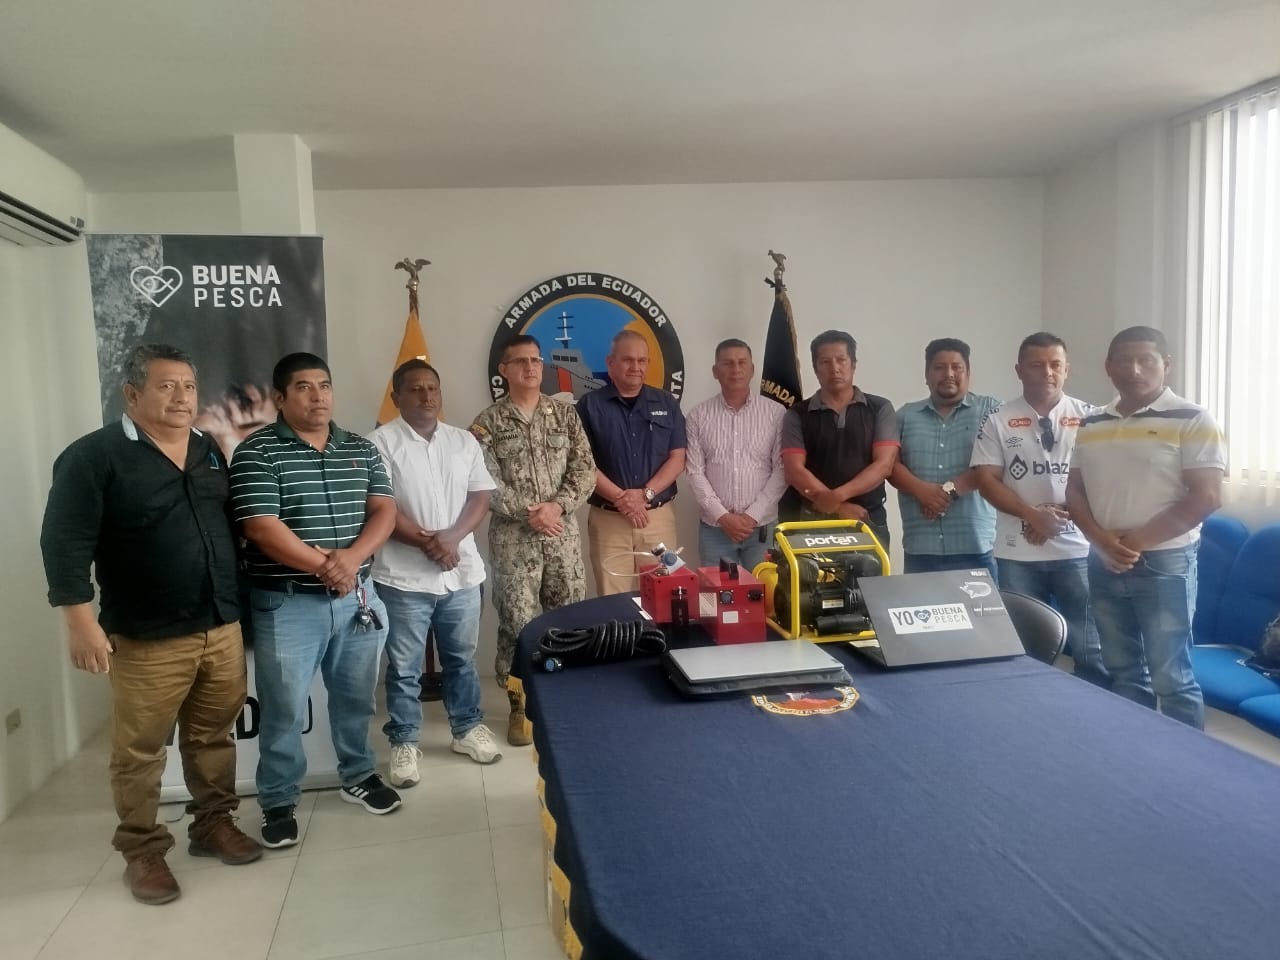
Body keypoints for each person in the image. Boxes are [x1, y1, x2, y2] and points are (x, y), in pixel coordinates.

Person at [40, 343, 261, 906]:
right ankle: (142, 850)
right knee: (139, 751)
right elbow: (64, 543)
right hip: (146, 634)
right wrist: (80, 622)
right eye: (166, 386)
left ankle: (212, 824)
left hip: (219, 623)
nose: (181, 397)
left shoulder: (208, 449)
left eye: (188, 386)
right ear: (132, 393)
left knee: (213, 736)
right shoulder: (93, 456)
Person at [229, 352, 400, 848]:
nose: (317, 396)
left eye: (324, 385)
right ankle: (279, 800)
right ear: (280, 398)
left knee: (356, 697)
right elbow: (261, 527)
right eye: (303, 387)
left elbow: (384, 511)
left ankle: (358, 775)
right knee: (283, 708)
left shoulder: (360, 448)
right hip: (288, 604)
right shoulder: (256, 452)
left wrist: (353, 560)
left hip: (357, 598)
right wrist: (328, 567)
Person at [1065, 326, 1225, 729]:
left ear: (1166, 365)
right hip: (1103, 560)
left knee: (1172, 678)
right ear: (1108, 367)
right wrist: (1101, 542)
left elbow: (1207, 496)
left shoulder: (1193, 418)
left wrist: (1132, 544)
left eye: (1146, 360)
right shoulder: (1091, 422)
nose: (1134, 369)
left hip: (1164, 563)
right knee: (1122, 671)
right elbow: (1075, 491)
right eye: (1124, 360)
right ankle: (1134, 753)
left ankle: (1188, 762)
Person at [371, 359, 502, 785]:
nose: (427, 396)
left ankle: (466, 728)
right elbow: (381, 506)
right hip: (403, 578)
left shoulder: (463, 441)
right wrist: (432, 543)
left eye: (432, 388)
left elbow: (480, 497)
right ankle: (405, 741)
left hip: (460, 574)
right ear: (397, 398)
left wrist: (452, 539)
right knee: (404, 666)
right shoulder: (378, 443)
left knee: (461, 659)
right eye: (415, 389)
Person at [470, 336, 596, 746]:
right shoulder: (487, 423)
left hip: (561, 538)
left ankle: (566, 699)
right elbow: (484, 482)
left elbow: (585, 470)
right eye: (520, 361)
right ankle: (519, 705)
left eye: (535, 360)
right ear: (503, 370)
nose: (530, 367)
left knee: (568, 621)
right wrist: (532, 512)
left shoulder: (565, 415)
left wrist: (556, 507)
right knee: (517, 624)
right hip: (514, 543)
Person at [971, 332, 1108, 683]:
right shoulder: (997, 419)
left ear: (1066, 370)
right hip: (1018, 554)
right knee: (1024, 649)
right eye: (1036, 365)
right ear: (1019, 370)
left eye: (1055, 365)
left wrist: (1055, 515)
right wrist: (1033, 515)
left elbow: (1105, 479)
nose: (1047, 372)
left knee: (1091, 649)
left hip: (1078, 550)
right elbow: (986, 480)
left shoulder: (1092, 417)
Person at [576, 330, 687, 595]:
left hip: (656, 518)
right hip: (609, 522)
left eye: (642, 360)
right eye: (627, 360)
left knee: (664, 596)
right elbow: (582, 464)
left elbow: (678, 458)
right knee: (613, 598)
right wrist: (623, 499)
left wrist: (644, 495)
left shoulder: (666, 403)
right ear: (610, 363)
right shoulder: (589, 406)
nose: (636, 367)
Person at [889, 338, 1000, 577]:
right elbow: (890, 465)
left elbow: (993, 464)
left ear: (968, 373)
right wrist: (921, 490)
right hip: (920, 546)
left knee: (983, 605)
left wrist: (946, 493)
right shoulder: (905, 416)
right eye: (939, 367)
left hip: (975, 545)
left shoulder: (990, 410)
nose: (948, 374)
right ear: (926, 374)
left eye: (956, 367)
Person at [779, 330, 898, 550]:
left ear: (853, 365)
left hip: (866, 518)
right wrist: (839, 508)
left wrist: (837, 497)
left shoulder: (880, 408)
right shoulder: (797, 414)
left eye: (841, 360)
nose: (834, 368)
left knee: (871, 575)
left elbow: (884, 465)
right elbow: (794, 471)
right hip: (813, 523)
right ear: (815, 369)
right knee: (812, 575)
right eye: (825, 362)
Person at [685, 338, 787, 571]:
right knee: (717, 593)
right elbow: (694, 472)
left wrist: (751, 516)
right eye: (727, 363)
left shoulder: (776, 413)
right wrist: (723, 517)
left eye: (742, 362)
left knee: (766, 592)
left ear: (752, 369)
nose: (736, 369)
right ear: (715, 371)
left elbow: (782, 470)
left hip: (762, 528)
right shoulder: (698, 416)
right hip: (715, 529)